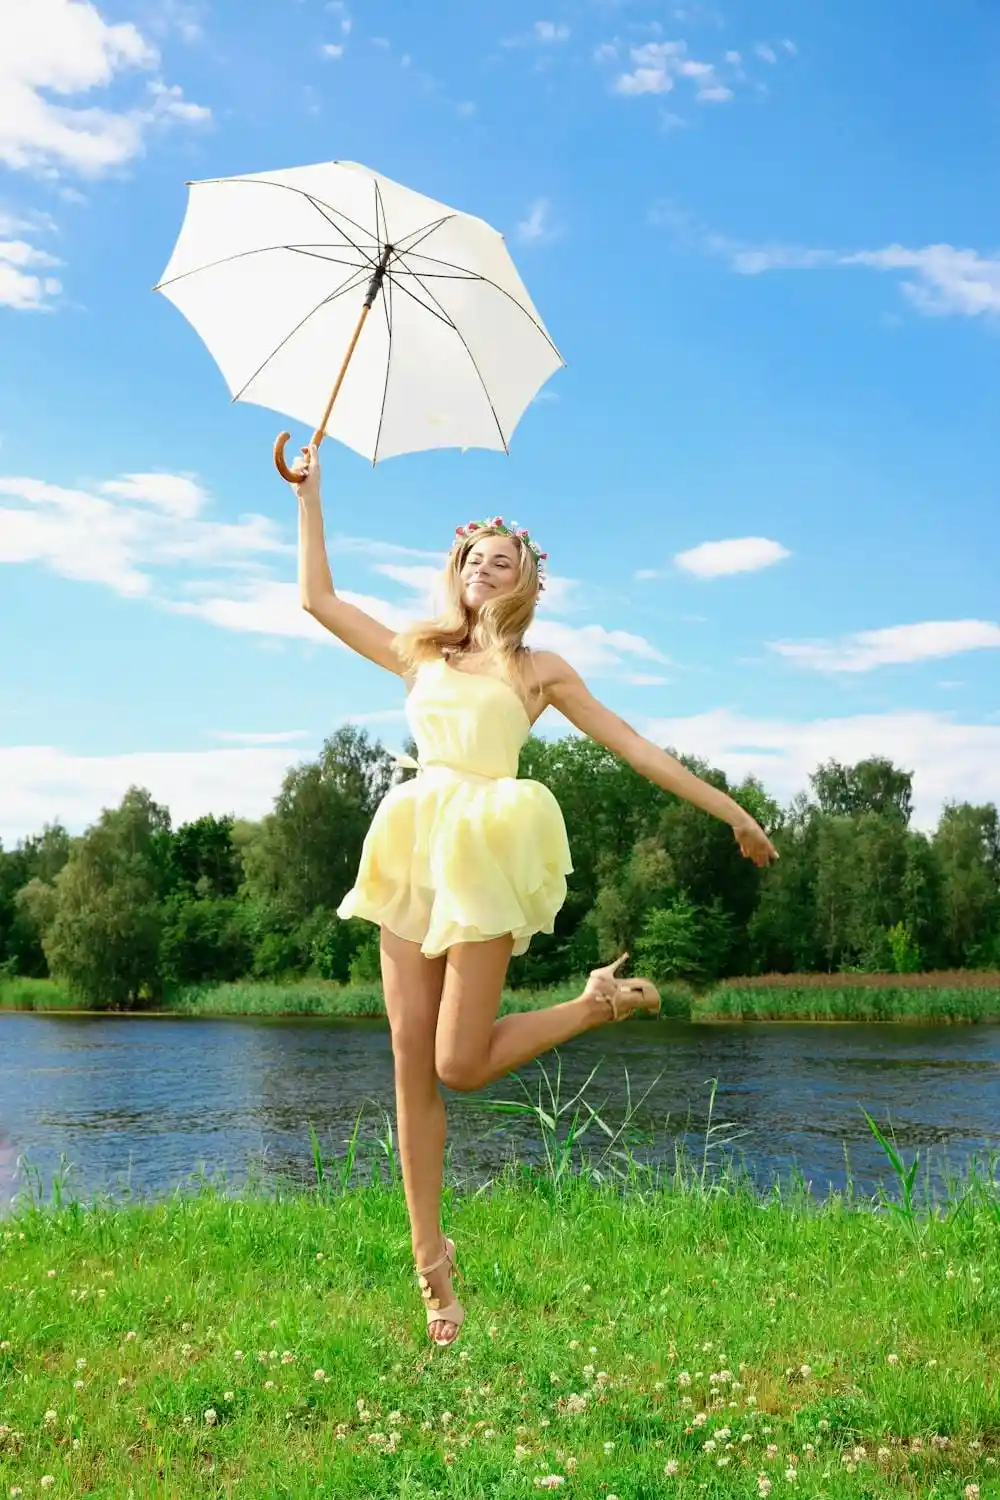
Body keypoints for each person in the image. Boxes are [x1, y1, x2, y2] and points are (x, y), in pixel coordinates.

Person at [291, 444, 778, 1348]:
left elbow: (634, 746)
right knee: (410, 1065)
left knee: (460, 1064)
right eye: (472, 556)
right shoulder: (420, 652)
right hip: (410, 845)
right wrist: (310, 497)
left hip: (482, 852)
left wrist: (731, 811)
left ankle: (592, 1008)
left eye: (500, 557)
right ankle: (431, 1273)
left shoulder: (539, 669)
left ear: (526, 579)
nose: (484, 565)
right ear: (457, 571)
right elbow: (319, 602)